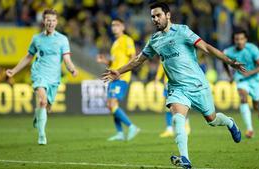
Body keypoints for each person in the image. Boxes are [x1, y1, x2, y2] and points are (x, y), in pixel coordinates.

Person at [102, 2, 246, 168]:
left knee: (212, 120)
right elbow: (138, 60)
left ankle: (229, 122)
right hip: (177, 89)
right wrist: (119, 71)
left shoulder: (182, 31)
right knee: (178, 119)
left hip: (198, 85)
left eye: (158, 15)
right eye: (153, 17)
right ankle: (185, 158)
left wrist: (229, 62)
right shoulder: (154, 40)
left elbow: (205, 47)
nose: (155, 19)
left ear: (167, 15)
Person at [6, 9, 78, 145]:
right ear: (44, 21)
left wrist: (72, 69)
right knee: (43, 101)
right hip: (39, 74)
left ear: (56, 22)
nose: (50, 23)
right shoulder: (36, 39)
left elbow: (67, 59)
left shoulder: (62, 39)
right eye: (48, 20)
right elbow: (28, 57)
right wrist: (14, 70)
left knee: (47, 107)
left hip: (54, 77)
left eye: (53, 20)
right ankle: (41, 135)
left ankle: (38, 116)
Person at [96, 18, 140, 141]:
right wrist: (104, 61)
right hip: (113, 77)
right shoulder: (115, 43)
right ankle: (120, 133)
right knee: (111, 105)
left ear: (123, 27)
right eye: (112, 25)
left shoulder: (127, 40)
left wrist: (122, 72)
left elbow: (133, 57)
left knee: (112, 104)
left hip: (121, 77)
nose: (114, 27)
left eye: (117, 25)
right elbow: (113, 62)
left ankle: (132, 127)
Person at [223, 29, 259, 138]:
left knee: (256, 103)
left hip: (254, 79)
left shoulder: (252, 49)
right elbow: (224, 61)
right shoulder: (228, 51)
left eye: (241, 39)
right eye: (237, 39)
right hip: (241, 79)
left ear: (246, 39)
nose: (239, 41)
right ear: (234, 40)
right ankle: (249, 129)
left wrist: (250, 73)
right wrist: (230, 75)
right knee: (243, 98)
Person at [155, 65, 191, 138]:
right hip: (167, 85)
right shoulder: (163, 56)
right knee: (168, 108)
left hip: (177, 84)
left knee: (181, 106)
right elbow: (161, 66)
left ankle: (186, 125)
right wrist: (157, 77)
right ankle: (169, 129)